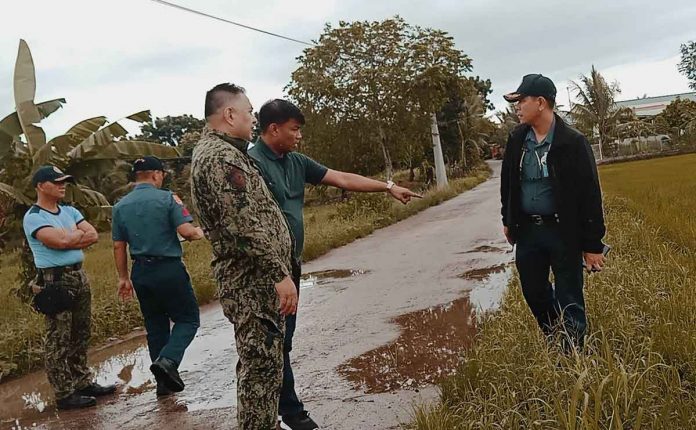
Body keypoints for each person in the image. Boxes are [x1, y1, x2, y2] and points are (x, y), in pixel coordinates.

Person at [249, 98, 421, 430]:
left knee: (283, 341)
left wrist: (388, 187)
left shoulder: (296, 161)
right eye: (294, 130)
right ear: (273, 129)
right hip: (268, 271)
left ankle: (284, 411)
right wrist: (275, 271)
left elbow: (341, 178)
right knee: (267, 343)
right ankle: (288, 413)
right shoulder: (250, 164)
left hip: (291, 266)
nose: (298, 136)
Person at [190, 83, 297, 430]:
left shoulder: (229, 153)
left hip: (256, 280)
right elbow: (243, 226)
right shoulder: (220, 157)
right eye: (249, 111)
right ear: (229, 114)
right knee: (260, 370)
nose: (253, 118)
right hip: (252, 283)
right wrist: (279, 275)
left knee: (265, 368)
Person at [500, 74, 607, 348]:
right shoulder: (517, 140)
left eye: (521, 100)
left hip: (563, 230)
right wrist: (508, 220)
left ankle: (572, 353)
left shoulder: (572, 142)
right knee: (534, 291)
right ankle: (554, 335)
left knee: (569, 295)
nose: (517, 106)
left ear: (541, 102)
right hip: (529, 231)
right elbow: (508, 184)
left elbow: (590, 194)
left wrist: (592, 244)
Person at [22, 165, 116, 410]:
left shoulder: (70, 210)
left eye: (65, 181)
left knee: (81, 332)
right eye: (57, 182)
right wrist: (72, 237)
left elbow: (92, 235)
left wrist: (67, 238)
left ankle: (82, 381)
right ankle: (64, 393)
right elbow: (59, 241)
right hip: (55, 280)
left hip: (78, 275)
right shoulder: (34, 217)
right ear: (41, 186)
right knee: (58, 337)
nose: (63, 185)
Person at [111, 156, 204, 396]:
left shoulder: (120, 206)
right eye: (162, 174)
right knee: (188, 319)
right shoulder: (167, 198)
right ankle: (169, 361)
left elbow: (118, 246)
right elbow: (186, 232)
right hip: (168, 269)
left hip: (140, 272)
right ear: (155, 174)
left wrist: (123, 278)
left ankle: (163, 384)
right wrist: (198, 233)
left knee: (155, 326)